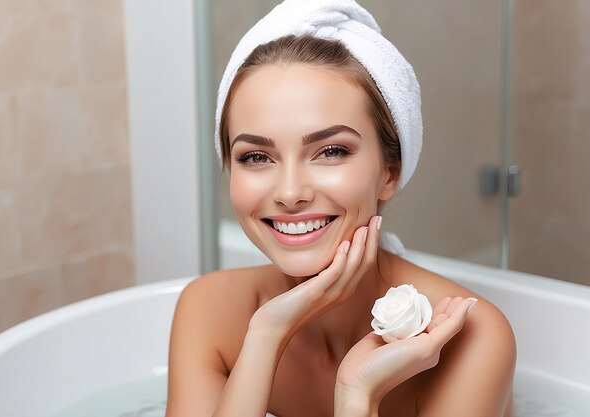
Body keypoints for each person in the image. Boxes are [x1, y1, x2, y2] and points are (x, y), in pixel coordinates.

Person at [165, 1, 516, 416]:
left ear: (390, 170)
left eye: (330, 151)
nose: (290, 192)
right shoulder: (209, 311)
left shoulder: (469, 336)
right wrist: (267, 332)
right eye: (256, 157)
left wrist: (357, 394)